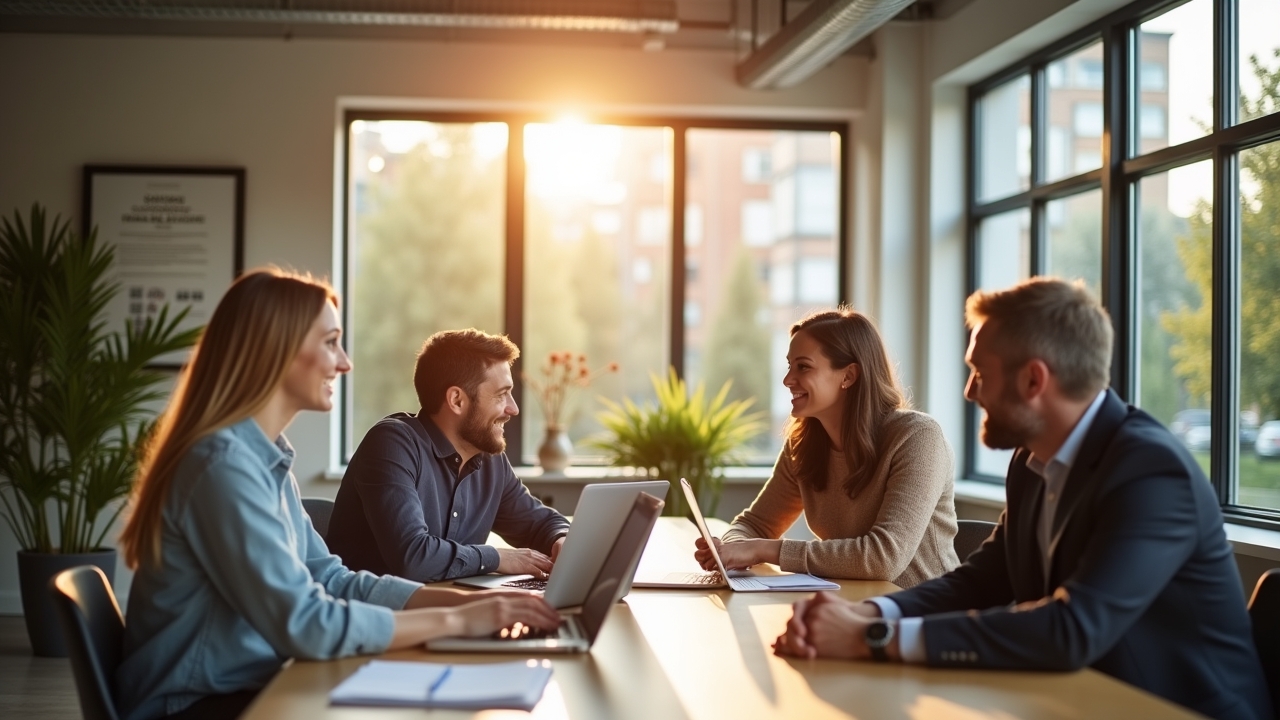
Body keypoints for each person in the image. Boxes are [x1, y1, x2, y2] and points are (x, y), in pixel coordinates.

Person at [772, 278, 1272, 720]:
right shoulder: (1032, 462)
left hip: (1172, 707)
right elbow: (985, 577)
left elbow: (1073, 627)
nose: (970, 391)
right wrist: (876, 614)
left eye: (980, 373)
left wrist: (874, 640)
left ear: (1034, 380)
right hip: (1076, 698)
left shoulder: (1152, 473)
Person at [116, 270, 559, 720]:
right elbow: (305, 624)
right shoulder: (223, 466)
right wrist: (459, 621)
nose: (344, 362)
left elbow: (332, 581)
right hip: (195, 705)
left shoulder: (264, 460)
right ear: (277, 351)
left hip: (258, 684)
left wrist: (469, 603)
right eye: (330, 342)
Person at [695, 308, 959, 589]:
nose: (787, 380)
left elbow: (884, 557)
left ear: (848, 376)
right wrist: (729, 550)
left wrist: (762, 550)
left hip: (926, 617)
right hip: (849, 607)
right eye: (789, 366)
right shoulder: (804, 444)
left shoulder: (917, 438)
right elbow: (755, 523)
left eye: (803, 367)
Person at [326, 329, 570, 583]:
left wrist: (560, 538)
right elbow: (413, 558)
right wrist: (498, 558)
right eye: (501, 395)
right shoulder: (392, 445)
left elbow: (538, 523)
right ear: (456, 400)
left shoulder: (489, 458)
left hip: (447, 610)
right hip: (379, 616)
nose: (513, 409)